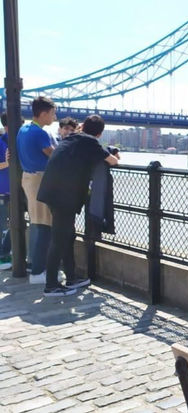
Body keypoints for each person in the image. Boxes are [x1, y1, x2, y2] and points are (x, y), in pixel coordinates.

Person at [37, 114, 119, 297]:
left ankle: (71, 278)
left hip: (54, 192)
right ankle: (51, 285)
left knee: (68, 235)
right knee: (59, 239)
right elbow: (113, 161)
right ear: (100, 134)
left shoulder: (72, 138)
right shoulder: (90, 142)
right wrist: (113, 153)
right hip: (63, 196)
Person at [16, 96, 56, 284]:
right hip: (39, 180)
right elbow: (55, 155)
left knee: (36, 223)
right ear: (44, 113)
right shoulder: (40, 133)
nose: (54, 117)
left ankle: (33, 265)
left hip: (28, 178)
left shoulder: (23, 130)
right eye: (53, 113)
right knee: (44, 225)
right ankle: (38, 272)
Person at [0, 113, 12, 270]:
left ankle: (6, 254)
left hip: (16, 191)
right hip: (2, 191)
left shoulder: (16, 140)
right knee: (2, 225)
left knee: (13, 225)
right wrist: (8, 163)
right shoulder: (1, 141)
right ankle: (2, 258)